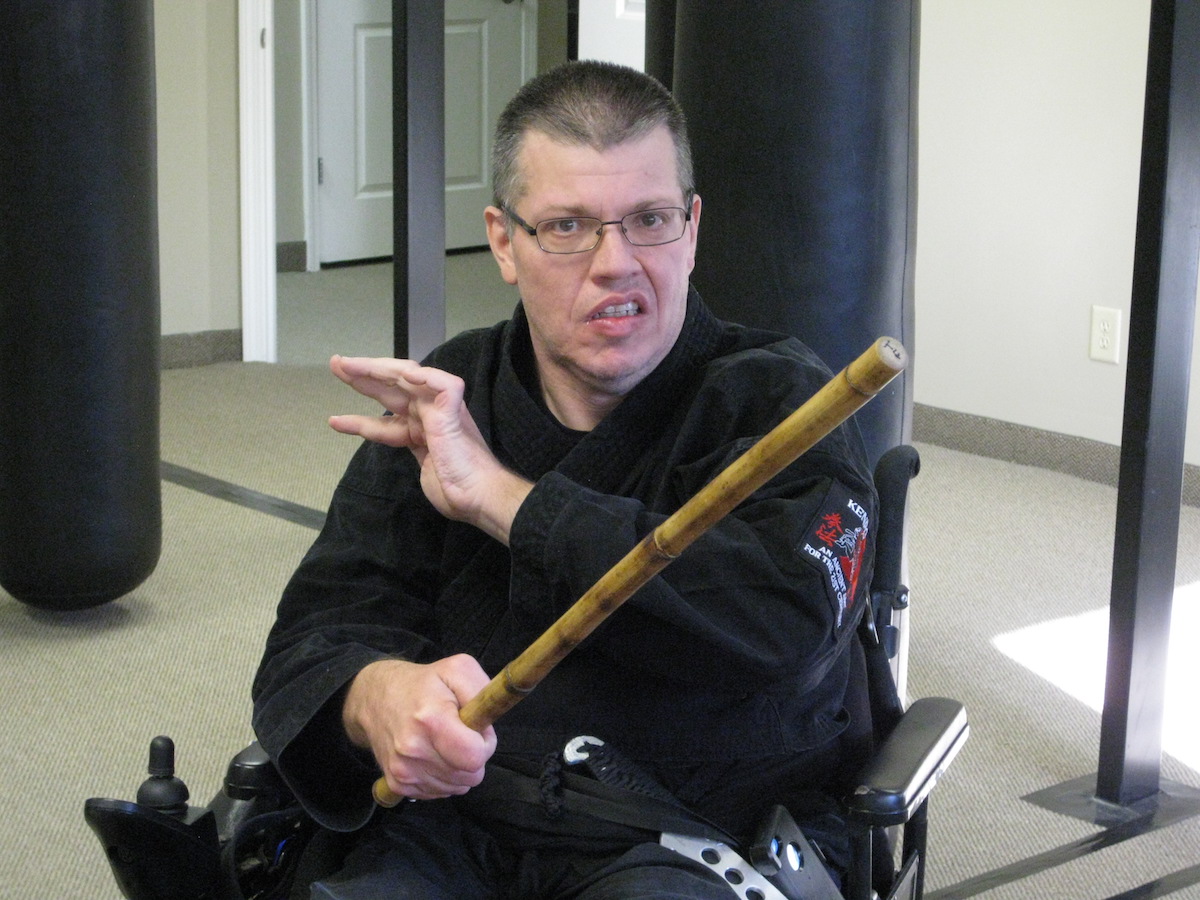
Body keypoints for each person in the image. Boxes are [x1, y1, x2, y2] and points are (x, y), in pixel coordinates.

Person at [252, 60, 879, 899]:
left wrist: (506, 501)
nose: (614, 262)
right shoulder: (453, 395)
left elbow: (782, 625)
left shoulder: (778, 401)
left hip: (700, 833)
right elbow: (315, 635)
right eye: (566, 226)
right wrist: (381, 698)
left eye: (648, 219)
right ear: (504, 242)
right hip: (463, 821)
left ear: (691, 230)